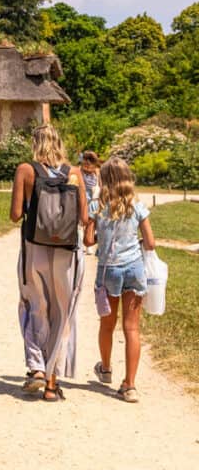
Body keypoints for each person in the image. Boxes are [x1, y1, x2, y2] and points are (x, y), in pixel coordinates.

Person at [9, 124, 89, 401]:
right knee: (62, 312)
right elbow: (84, 218)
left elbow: (15, 214)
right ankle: (52, 384)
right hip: (66, 251)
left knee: (33, 305)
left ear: (35, 144)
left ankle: (36, 367)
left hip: (35, 248)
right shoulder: (75, 173)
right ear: (59, 143)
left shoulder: (26, 170)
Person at [89, 157, 154, 403]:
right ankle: (129, 385)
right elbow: (150, 242)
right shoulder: (137, 206)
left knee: (107, 324)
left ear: (104, 179)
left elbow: (88, 241)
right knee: (132, 328)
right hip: (134, 270)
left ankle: (105, 369)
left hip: (109, 271)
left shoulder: (99, 207)